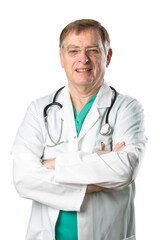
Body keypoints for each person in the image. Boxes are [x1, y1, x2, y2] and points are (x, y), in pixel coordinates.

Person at [11, 19, 147, 240]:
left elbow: (125, 169)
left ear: (108, 56)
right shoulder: (39, 110)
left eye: (92, 51)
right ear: (62, 58)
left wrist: (55, 165)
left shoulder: (127, 109)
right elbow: (23, 179)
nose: (83, 59)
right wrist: (97, 175)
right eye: (73, 50)